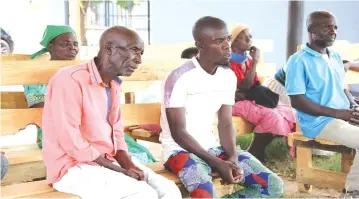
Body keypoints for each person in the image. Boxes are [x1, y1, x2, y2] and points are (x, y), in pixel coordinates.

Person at [42, 26, 181, 199]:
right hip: (72, 167)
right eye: (134, 51)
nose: (138, 60)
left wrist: (128, 165)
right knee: (142, 194)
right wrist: (118, 170)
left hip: (107, 161)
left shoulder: (113, 84)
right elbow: (70, 138)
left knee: (168, 190)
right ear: (110, 48)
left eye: (141, 54)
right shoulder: (69, 79)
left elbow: (117, 133)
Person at [160, 16, 284, 198]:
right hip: (180, 151)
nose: (227, 45)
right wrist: (217, 163)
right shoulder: (179, 77)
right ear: (200, 45)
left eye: (227, 39)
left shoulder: (227, 76)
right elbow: (178, 133)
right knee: (206, 193)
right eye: (219, 41)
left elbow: (225, 123)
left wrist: (233, 157)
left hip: (213, 148)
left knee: (272, 185)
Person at [25, 25, 156, 164]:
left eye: (75, 44)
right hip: (62, 130)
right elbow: (44, 108)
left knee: (138, 152)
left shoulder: (91, 71)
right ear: (50, 46)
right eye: (65, 44)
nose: (72, 48)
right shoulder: (42, 74)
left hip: (96, 128)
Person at [285, 11, 359, 198]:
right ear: (311, 29)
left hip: (342, 115)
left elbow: (342, 89)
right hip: (319, 122)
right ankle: (351, 192)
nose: (333, 31)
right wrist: (339, 113)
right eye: (327, 27)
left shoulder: (334, 57)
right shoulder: (298, 60)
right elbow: (297, 100)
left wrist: (353, 106)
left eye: (335, 27)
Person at [230, 24, 296, 161]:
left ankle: (259, 150)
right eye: (244, 37)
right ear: (234, 41)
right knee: (272, 116)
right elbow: (244, 86)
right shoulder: (228, 61)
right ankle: (255, 151)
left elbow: (254, 85)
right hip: (234, 103)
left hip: (247, 99)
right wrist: (255, 61)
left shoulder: (247, 60)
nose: (249, 40)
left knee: (289, 112)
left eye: (250, 36)